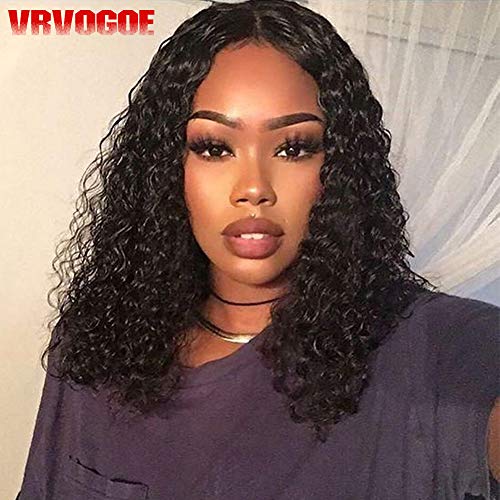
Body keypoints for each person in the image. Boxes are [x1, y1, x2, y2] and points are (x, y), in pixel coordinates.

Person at [17, 0, 499, 499]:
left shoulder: (440, 349)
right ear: (166, 168)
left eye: (293, 148)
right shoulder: (96, 343)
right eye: (214, 147)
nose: (253, 188)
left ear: (339, 169)